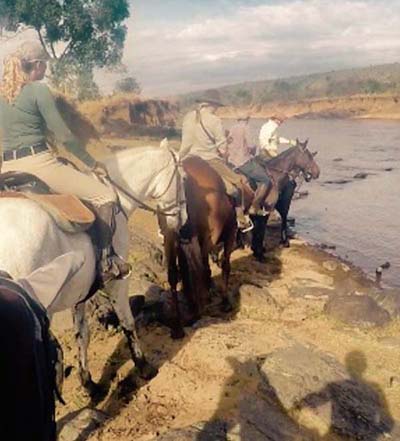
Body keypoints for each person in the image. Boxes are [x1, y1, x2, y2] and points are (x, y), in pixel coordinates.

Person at [0, 41, 130, 283]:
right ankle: (107, 261)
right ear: (36, 65)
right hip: (39, 163)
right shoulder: (38, 90)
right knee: (106, 196)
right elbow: (63, 135)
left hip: (6, 168)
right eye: (44, 65)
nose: (45, 70)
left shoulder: (2, 94)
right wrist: (90, 162)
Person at [180, 90, 250, 229]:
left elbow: (186, 143)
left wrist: (180, 158)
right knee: (236, 186)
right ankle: (241, 219)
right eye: (217, 106)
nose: (217, 109)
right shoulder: (215, 120)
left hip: (188, 157)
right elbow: (222, 146)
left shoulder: (188, 117)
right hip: (210, 159)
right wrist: (223, 150)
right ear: (212, 105)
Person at [227, 113, 275, 215]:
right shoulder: (246, 128)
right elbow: (250, 145)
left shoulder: (232, 128)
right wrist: (254, 149)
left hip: (231, 161)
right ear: (247, 119)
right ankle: (255, 206)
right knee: (266, 180)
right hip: (243, 161)